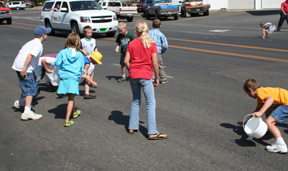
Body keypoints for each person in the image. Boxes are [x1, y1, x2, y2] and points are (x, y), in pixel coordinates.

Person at [124, 21, 168, 140]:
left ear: (136, 31)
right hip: (146, 75)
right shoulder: (151, 44)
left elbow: (126, 61)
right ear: (147, 30)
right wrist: (157, 78)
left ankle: (132, 126)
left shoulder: (132, 43)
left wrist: (131, 70)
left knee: (136, 100)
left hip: (134, 75)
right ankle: (152, 131)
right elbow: (155, 63)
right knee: (150, 103)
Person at [12, 25, 51, 120]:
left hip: (19, 65)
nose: (47, 35)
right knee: (31, 89)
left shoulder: (32, 42)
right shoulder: (38, 45)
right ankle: (27, 112)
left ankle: (20, 102)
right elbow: (29, 56)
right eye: (46, 33)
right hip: (24, 67)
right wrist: (25, 69)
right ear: (43, 35)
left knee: (28, 85)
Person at [243, 78, 288, 153]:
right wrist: (247, 121)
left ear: (250, 90)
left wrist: (260, 112)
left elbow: (270, 100)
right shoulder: (262, 93)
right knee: (267, 107)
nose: (249, 95)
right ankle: (270, 129)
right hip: (285, 101)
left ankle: (281, 145)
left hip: (287, 104)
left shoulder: (260, 92)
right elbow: (257, 109)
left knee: (269, 122)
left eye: (248, 93)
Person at [55, 33, 85, 127]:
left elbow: (57, 63)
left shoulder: (62, 52)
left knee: (71, 95)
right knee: (71, 98)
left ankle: (74, 111)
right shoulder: (80, 54)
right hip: (73, 77)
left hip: (64, 76)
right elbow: (81, 67)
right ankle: (67, 120)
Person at [79, 26, 98, 99]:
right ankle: (88, 88)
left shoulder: (93, 40)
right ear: (84, 33)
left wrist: (96, 53)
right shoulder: (82, 41)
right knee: (86, 74)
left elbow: (95, 48)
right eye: (88, 33)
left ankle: (88, 88)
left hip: (92, 58)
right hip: (85, 58)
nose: (90, 34)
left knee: (91, 72)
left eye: (91, 32)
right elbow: (79, 48)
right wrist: (83, 51)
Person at [148, 19, 168, 84]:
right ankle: (163, 78)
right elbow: (165, 45)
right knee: (159, 65)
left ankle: (152, 77)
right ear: (160, 26)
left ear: (152, 25)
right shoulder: (160, 34)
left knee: (150, 64)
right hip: (157, 51)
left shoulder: (149, 33)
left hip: (150, 51)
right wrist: (162, 51)